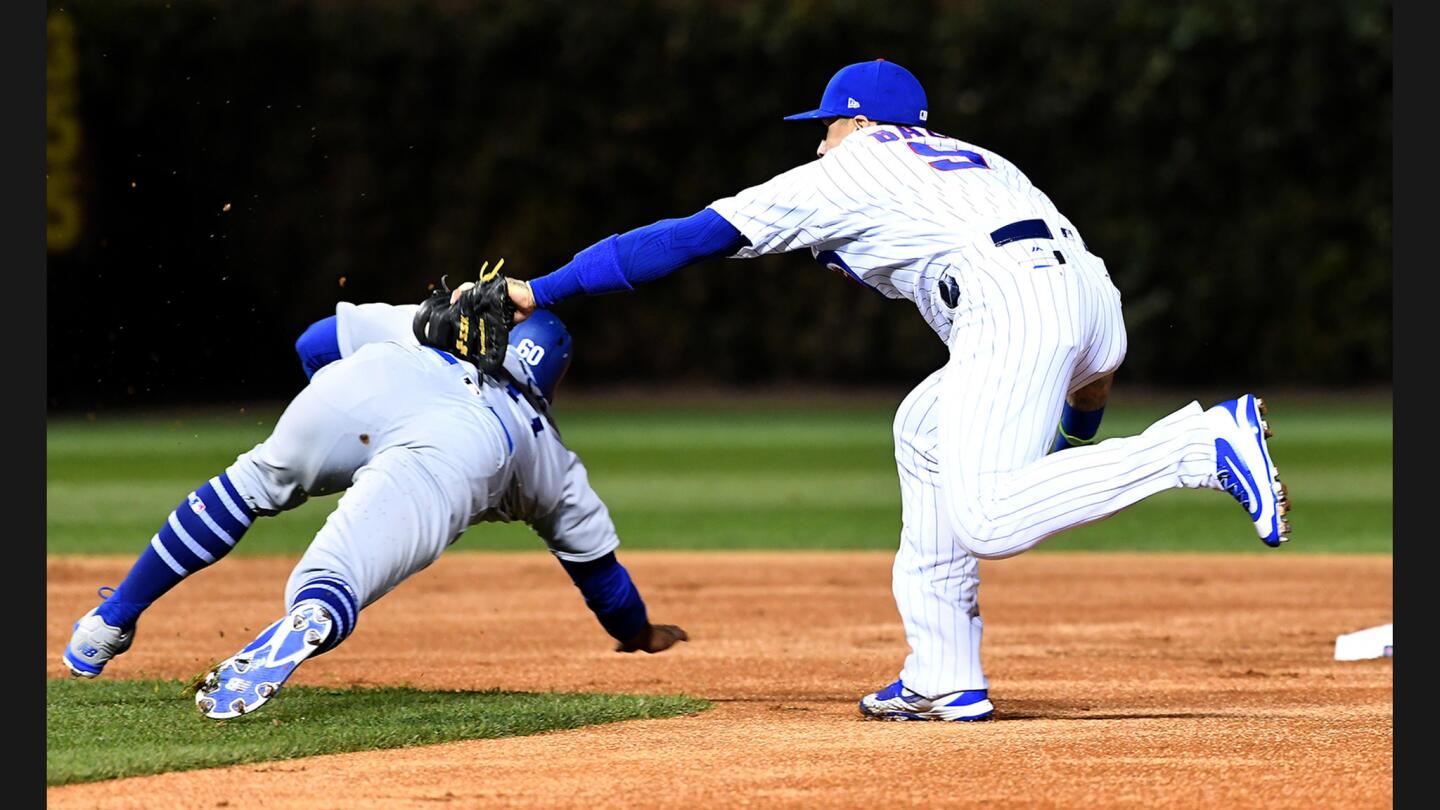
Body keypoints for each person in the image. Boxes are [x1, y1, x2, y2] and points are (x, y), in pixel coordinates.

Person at [500, 60, 1290, 722]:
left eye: (828, 123)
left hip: (1007, 297)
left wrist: (543, 290)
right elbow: (1094, 366)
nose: (820, 140)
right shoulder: (982, 162)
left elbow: (685, 239)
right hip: (1085, 293)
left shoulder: (855, 163)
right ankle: (943, 671)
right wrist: (1068, 441)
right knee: (925, 428)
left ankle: (1198, 446)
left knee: (988, 515)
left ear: (861, 123)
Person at [62, 285, 687, 719]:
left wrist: (337, 420)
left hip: (378, 378)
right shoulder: (548, 453)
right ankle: (312, 612)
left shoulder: (428, 324)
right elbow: (603, 581)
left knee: (249, 483)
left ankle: (108, 621)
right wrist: (639, 633)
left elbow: (312, 343)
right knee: (337, 574)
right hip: (468, 447)